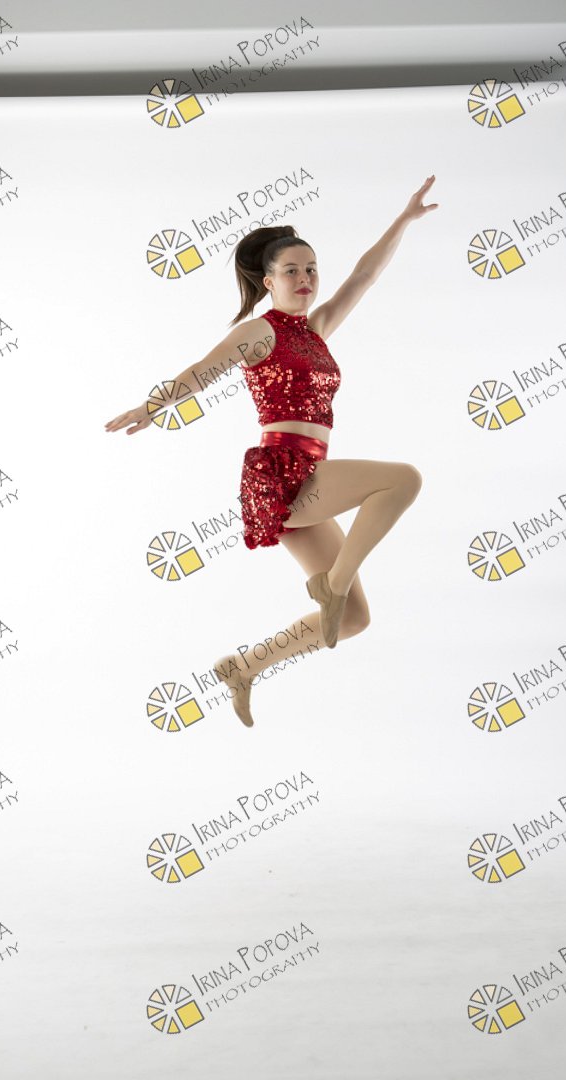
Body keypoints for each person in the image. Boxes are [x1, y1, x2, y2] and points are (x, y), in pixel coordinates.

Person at [105, 177, 438, 727]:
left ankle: (245, 665)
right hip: (283, 473)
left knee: (353, 620)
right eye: (292, 271)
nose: (305, 279)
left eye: (311, 270)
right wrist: (151, 405)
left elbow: (364, 275)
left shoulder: (318, 328)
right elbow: (202, 371)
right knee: (403, 479)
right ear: (268, 280)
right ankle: (331, 586)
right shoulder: (258, 332)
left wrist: (403, 220)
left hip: (311, 475)